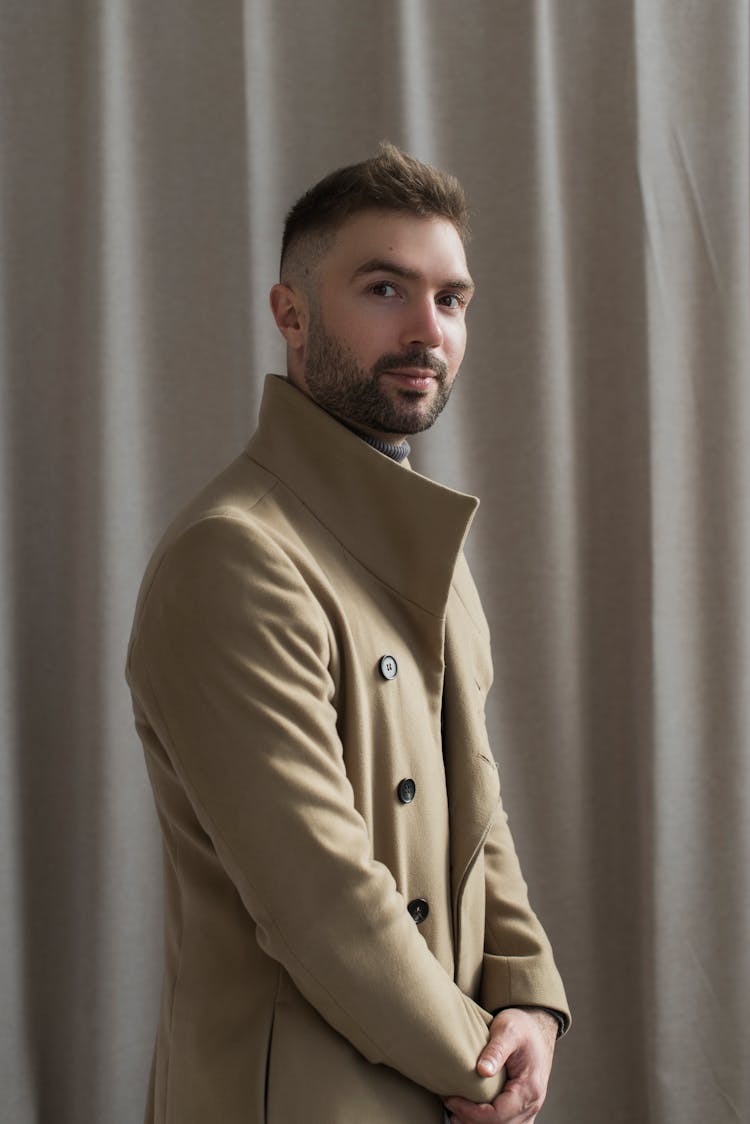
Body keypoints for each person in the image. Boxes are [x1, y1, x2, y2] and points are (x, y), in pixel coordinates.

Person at [126, 143, 570, 1124]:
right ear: (290, 313)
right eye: (384, 288)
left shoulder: (421, 548)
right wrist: (488, 1064)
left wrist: (530, 997)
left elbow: (476, 811)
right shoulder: (232, 554)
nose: (427, 330)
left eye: (451, 299)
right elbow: (320, 900)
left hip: (441, 1079)